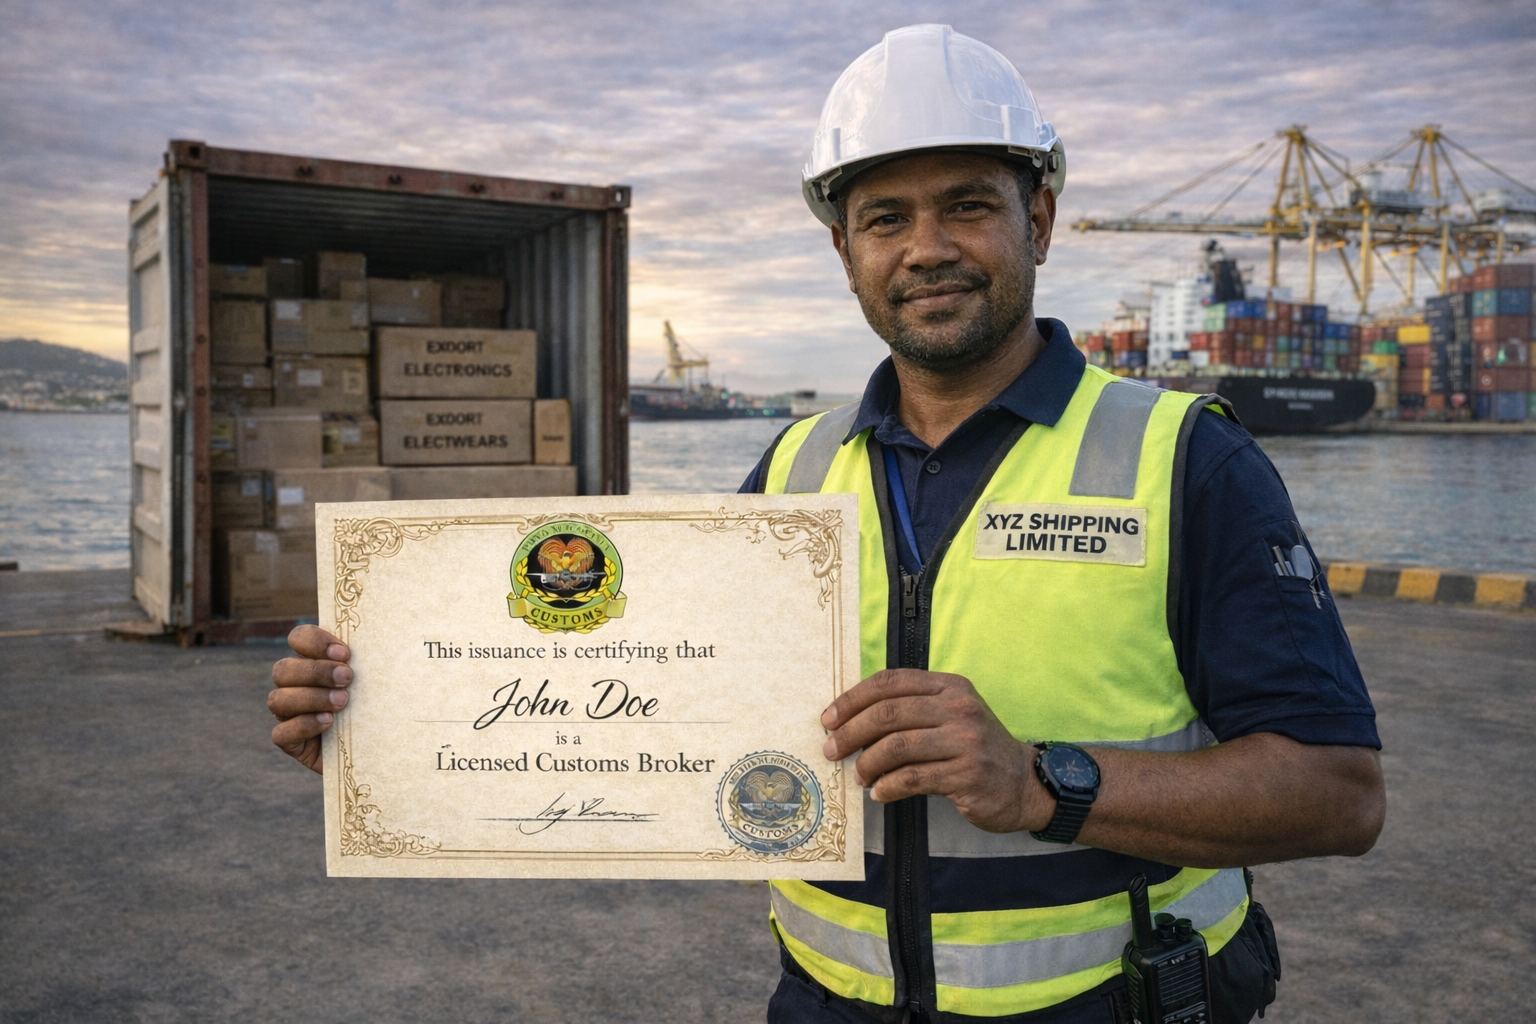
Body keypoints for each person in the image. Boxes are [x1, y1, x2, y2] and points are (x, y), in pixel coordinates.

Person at [268, 25, 1385, 1024]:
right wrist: (399, 731)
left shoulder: (1184, 458)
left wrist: (1049, 783)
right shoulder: (794, 471)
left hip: (1110, 1001)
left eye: (968, 204)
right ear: (843, 249)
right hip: (829, 1001)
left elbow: (1338, 794)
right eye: (885, 218)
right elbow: (655, 707)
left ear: (1037, 218)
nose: (925, 247)